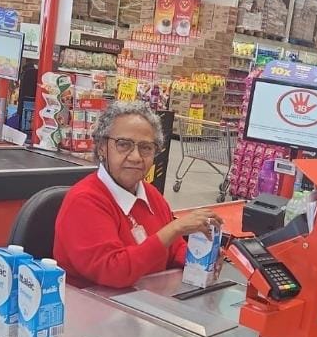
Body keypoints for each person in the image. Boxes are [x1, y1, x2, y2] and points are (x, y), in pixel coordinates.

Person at [53, 101, 217, 288]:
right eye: (124, 144)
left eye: (146, 147)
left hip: (143, 302)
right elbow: (114, 271)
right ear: (101, 148)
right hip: (92, 307)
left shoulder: (151, 195)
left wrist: (200, 258)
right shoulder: (84, 201)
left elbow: (173, 249)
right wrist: (173, 229)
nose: (136, 157)